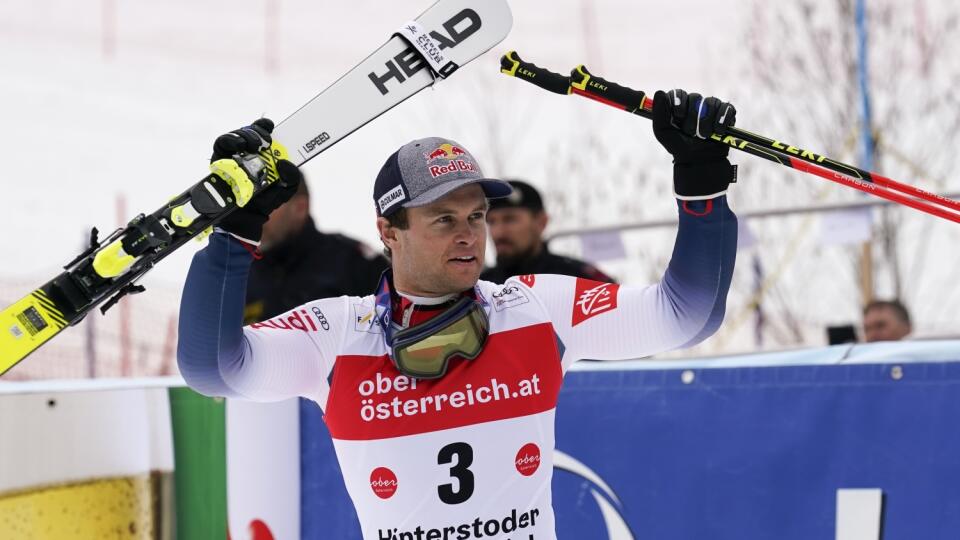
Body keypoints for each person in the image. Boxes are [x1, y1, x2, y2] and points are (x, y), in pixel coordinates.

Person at [178, 89, 739, 540]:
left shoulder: (534, 308)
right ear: (388, 232)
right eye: (444, 219)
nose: (471, 236)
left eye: (476, 215)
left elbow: (684, 314)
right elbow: (213, 368)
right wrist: (233, 232)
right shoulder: (338, 334)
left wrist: (702, 184)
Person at [243, 177, 388, 324]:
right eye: (249, 206)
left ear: (300, 208)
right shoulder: (237, 277)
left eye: (266, 206)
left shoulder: (353, 261)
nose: (254, 217)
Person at [480, 179, 614, 283]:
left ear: (541, 222)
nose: (498, 233)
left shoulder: (580, 280)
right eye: (491, 222)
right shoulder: (478, 289)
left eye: (510, 219)